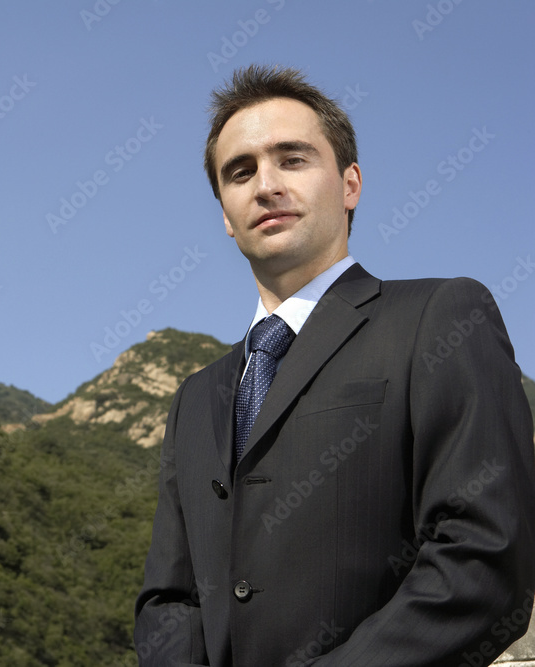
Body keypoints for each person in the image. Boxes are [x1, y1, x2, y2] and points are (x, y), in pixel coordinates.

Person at [133, 64, 535, 666]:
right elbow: (169, 597)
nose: (265, 185)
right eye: (239, 172)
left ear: (351, 184)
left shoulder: (440, 314)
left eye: (292, 159)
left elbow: (484, 553)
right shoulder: (196, 396)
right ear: (224, 212)